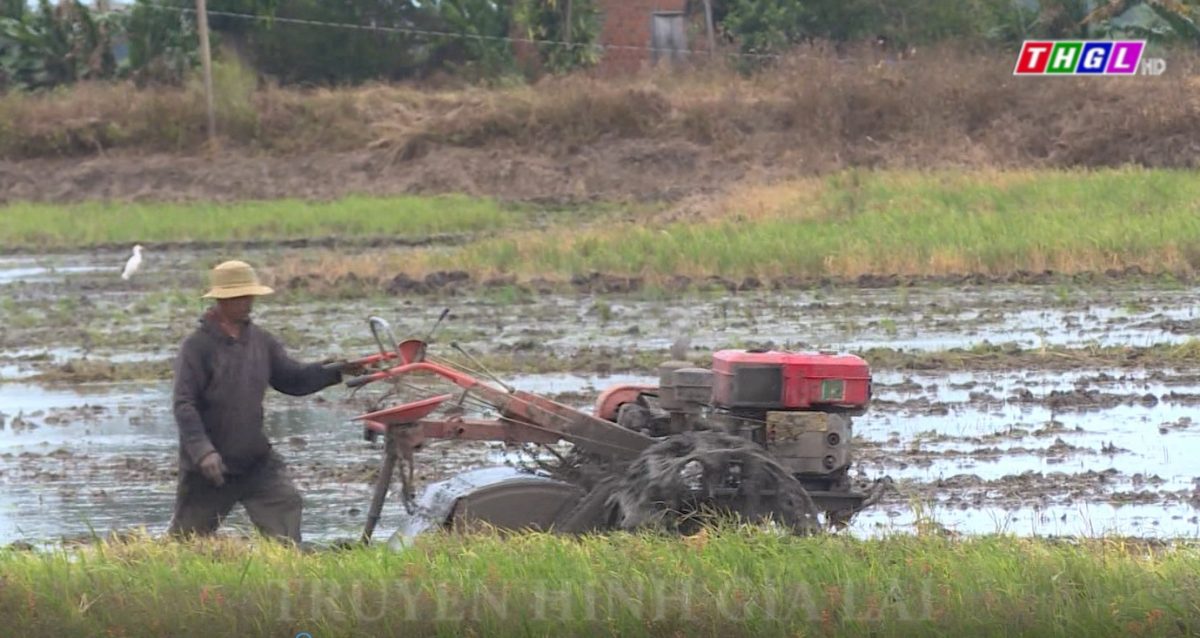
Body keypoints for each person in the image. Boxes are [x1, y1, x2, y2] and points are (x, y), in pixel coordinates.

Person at [167, 260, 359, 545]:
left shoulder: (260, 341)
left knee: (286, 508)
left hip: (255, 461)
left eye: (249, 296)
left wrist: (336, 371)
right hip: (210, 468)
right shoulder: (197, 347)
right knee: (185, 543)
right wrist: (203, 452)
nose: (247, 303)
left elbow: (292, 379)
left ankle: (286, 569)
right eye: (240, 297)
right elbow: (184, 405)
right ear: (222, 300)